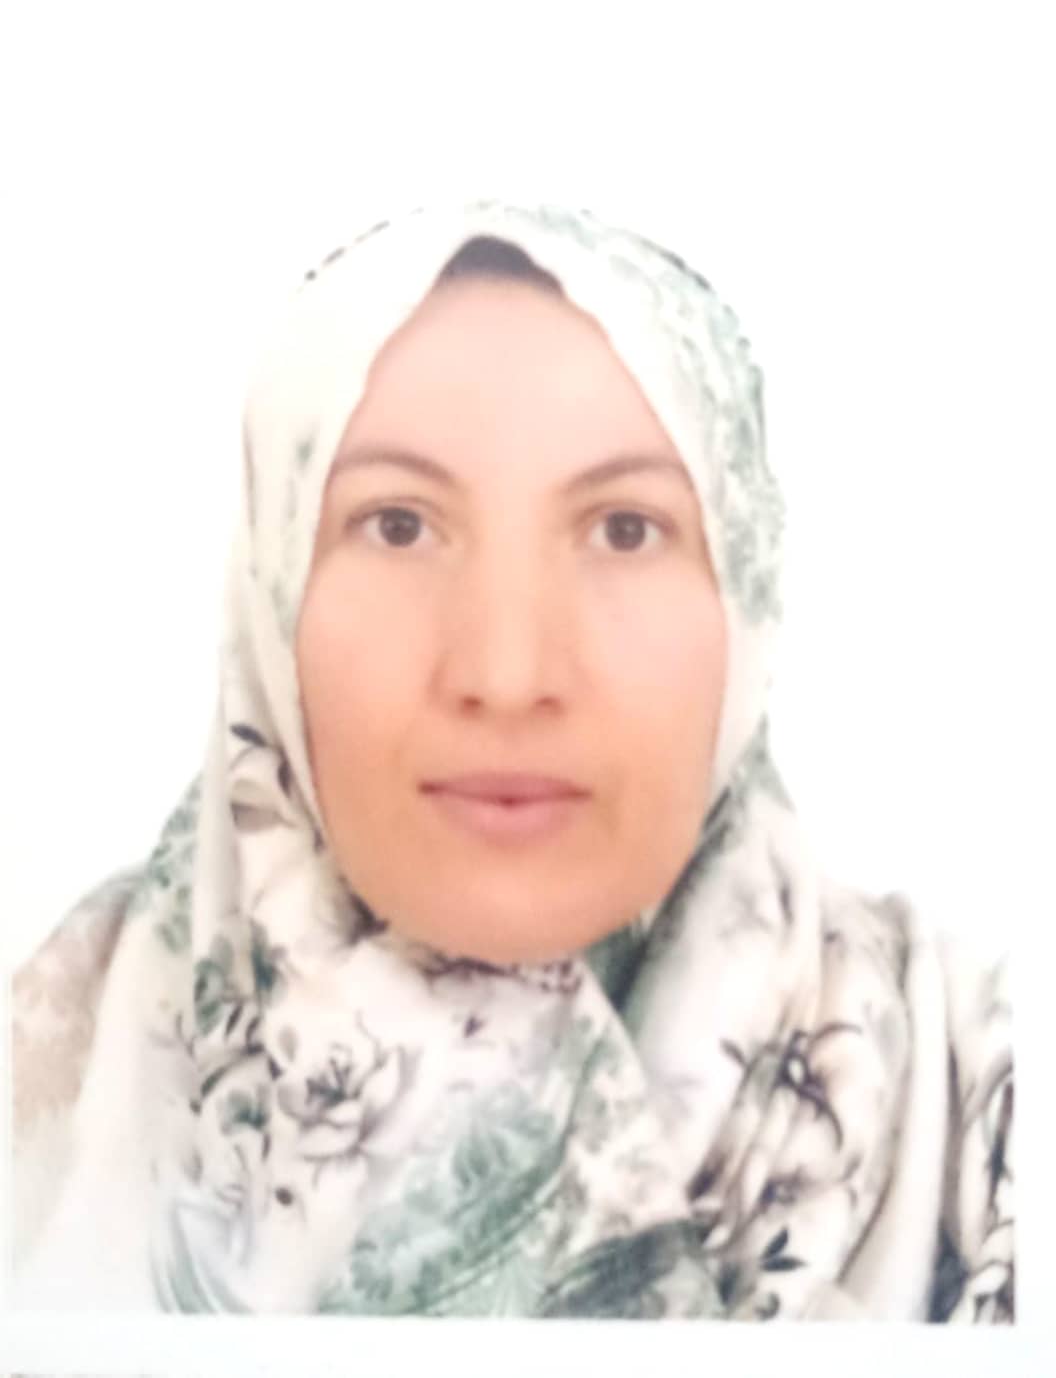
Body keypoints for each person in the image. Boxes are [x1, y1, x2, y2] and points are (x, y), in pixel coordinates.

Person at [11, 200, 1013, 1320]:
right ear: (272, 588)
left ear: (747, 600)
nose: (505, 670)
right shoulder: (50, 1063)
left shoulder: (984, 1107)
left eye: (624, 528)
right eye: (398, 524)